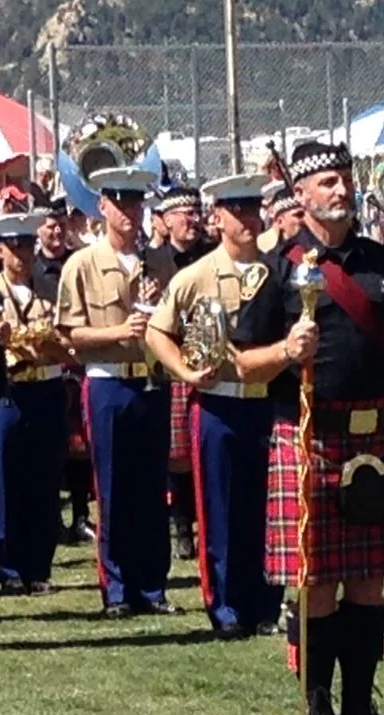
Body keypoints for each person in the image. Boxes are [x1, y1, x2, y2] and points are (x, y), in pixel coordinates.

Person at [228, 141, 384, 715]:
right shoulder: (277, 269)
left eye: (344, 180)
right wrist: (288, 352)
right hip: (310, 437)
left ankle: (362, 713)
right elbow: (242, 362)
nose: (339, 192)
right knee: (315, 584)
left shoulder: (382, 265)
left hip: (378, 436)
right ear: (303, 195)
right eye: (327, 184)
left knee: (369, 582)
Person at [145, 173, 281, 637]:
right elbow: (157, 330)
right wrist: (183, 371)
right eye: (237, 212)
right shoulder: (198, 274)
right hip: (219, 406)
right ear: (217, 218)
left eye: (253, 210)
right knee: (219, 510)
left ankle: (265, 603)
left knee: (266, 509)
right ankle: (223, 606)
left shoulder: (275, 270)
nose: (248, 220)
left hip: (266, 404)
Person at [57, 165, 176, 618]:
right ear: (102, 205)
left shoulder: (160, 261)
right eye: (120, 203)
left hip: (152, 381)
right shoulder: (83, 264)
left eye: (136, 202)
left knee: (152, 486)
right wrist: (118, 331)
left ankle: (153, 584)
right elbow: (69, 334)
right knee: (113, 486)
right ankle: (118, 586)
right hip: (107, 381)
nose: (130, 212)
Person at [0, 213, 68, 595]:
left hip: (48, 388)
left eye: (27, 245)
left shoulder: (54, 291)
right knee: (5, 482)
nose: (22, 253)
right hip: (6, 394)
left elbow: (71, 343)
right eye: (14, 247)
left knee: (44, 481)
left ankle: (38, 567)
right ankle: (7, 568)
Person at [145, 183, 214, 562]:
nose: (191, 219)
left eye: (195, 212)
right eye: (182, 213)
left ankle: (205, 524)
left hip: (209, 363)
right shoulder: (152, 260)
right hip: (170, 364)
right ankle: (182, 525)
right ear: (165, 220)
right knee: (178, 455)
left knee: (206, 450)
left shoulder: (213, 257)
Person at [31, 205, 94, 544]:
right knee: (53, 446)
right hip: (47, 361)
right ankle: (54, 518)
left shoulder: (80, 262)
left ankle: (82, 515)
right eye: (48, 227)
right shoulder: (31, 268)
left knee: (81, 445)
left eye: (59, 226)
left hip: (79, 359)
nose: (55, 233)